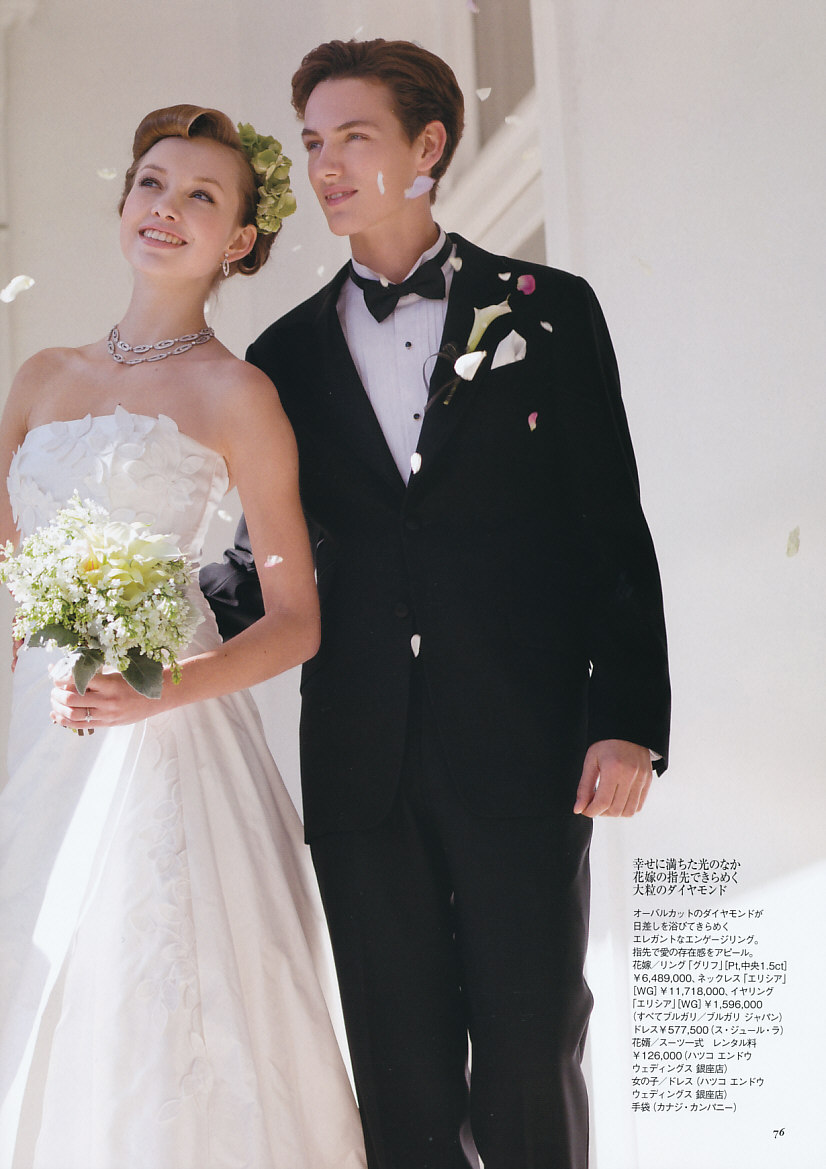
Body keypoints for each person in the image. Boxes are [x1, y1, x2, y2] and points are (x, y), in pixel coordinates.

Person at [202, 38, 670, 1169]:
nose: (324, 165)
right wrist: (144, 621)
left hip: (526, 745)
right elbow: (261, 557)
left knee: (531, 1047)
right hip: (361, 758)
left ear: (427, 147)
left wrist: (629, 719)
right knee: (399, 1072)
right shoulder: (278, 357)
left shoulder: (548, 311)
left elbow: (609, 526)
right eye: (313, 142)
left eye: (353, 136)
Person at [0, 104, 367, 1168]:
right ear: (125, 202)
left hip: (169, 731)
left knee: (150, 987)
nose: (166, 208)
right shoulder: (40, 376)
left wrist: (160, 687)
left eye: (201, 196)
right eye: (152, 183)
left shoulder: (238, 393)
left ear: (240, 239)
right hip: (39, 729)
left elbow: (296, 620)